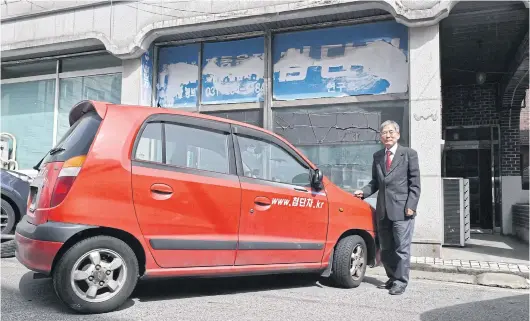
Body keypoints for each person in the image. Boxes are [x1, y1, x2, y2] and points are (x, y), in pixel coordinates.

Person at [354, 120, 421, 295]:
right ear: (380, 136)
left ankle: (401, 281)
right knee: (386, 248)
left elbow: (415, 184)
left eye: (391, 132)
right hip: (383, 210)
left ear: (398, 135)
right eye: (384, 132)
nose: (388, 135)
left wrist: (411, 206)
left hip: (402, 210)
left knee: (401, 248)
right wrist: (363, 192)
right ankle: (392, 278)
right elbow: (375, 182)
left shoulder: (409, 154)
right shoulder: (378, 156)